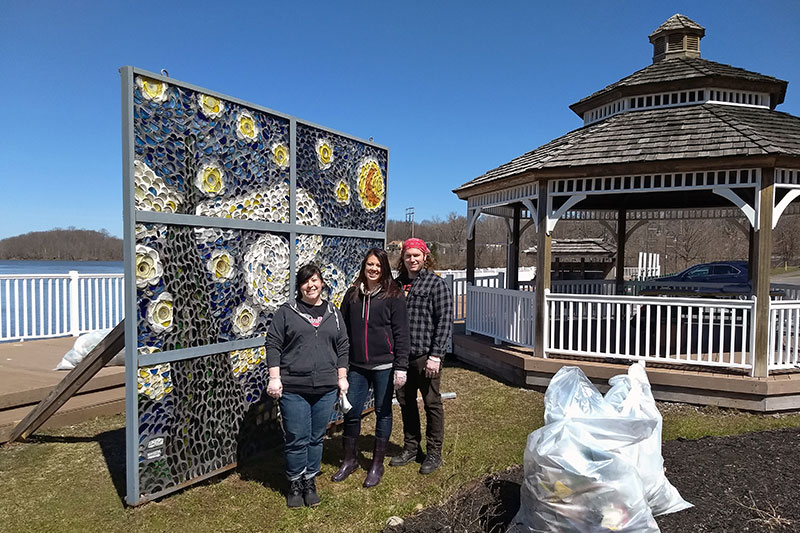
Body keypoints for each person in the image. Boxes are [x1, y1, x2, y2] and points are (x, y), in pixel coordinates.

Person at [265, 264, 349, 508]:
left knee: (315, 438)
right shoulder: (287, 312)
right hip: (294, 387)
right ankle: (294, 482)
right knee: (296, 437)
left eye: (315, 280)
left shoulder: (333, 313)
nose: (311, 285)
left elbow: (343, 346)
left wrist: (341, 377)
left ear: (322, 283)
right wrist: (274, 377)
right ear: (299, 287)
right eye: (305, 282)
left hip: (325, 387)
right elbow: (273, 344)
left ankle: (309, 481)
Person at [333, 248, 410, 487]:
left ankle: (377, 463)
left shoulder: (393, 295)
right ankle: (350, 458)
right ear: (364, 267)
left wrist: (401, 366)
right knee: (351, 412)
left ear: (384, 268)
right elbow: (342, 330)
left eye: (378, 265)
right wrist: (341, 364)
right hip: (357, 365)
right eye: (369, 265)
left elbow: (401, 333)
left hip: (385, 365)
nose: (373, 269)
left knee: (382, 411)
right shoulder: (353, 294)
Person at [390, 238, 453, 474]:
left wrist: (436, 355)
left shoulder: (436, 285)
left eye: (416, 255)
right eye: (408, 256)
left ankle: (434, 451)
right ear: (403, 259)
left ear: (425, 257)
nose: (412, 259)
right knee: (406, 403)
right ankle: (411, 447)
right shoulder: (396, 286)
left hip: (426, 356)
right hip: (401, 358)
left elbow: (444, 322)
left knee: (431, 403)